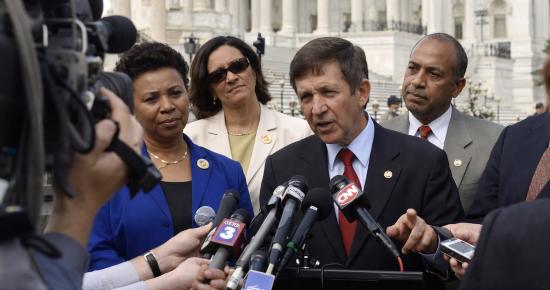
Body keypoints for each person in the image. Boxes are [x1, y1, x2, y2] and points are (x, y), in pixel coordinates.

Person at [259, 37, 464, 289]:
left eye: (328, 92)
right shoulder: (282, 168)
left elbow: (456, 258)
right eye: (306, 97)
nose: (317, 108)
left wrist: (431, 243)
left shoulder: (424, 161)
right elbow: (267, 260)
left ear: (362, 92)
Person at [88, 42, 254, 271]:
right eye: (151, 99)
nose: (167, 106)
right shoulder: (107, 172)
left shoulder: (228, 171)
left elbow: (247, 249)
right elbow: (97, 255)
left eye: (175, 93)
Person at [183, 36, 312, 214]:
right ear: (210, 88)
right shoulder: (192, 136)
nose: (231, 78)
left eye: (238, 66)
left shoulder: (297, 131)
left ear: (253, 69)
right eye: (217, 75)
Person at [382, 33, 503, 212]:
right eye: (413, 68)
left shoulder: (495, 141)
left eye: (434, 74)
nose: (417, 81)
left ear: (458, 87)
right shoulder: (379, 135)